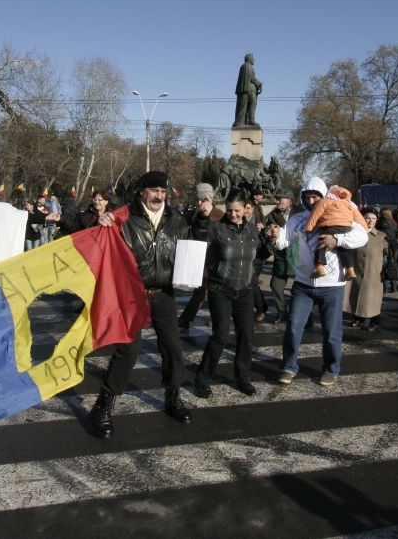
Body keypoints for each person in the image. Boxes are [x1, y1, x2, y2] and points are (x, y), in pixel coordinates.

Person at [90, 171, 192, 438]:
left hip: (164, 293)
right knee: (128, 352)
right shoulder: (123, 218)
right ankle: (103, 404)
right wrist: (102, 222)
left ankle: (173, 397)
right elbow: (100, 244)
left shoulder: (177, 220)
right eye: (154, 190)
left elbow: (187, 252)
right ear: (141, 191)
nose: (159, 195)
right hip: (132, 295)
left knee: (172, 347)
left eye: (163, 190)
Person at [266, 177, 369, 386]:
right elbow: (282, 242)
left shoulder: (341, 213)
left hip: (333, 285)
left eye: (316, 197)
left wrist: (337, 239)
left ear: (324, 197)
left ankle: (331, 369)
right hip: (303, 285)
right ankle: (288, 367)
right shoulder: (299, 219)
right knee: (294, 328)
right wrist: (275, 236)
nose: (312, 201)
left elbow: (362, 235)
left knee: (331, 331)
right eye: (308, 197)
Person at [193, 190, 270, 398]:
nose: (233, 214)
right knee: (220, 335)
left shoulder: (252, 230)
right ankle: (202, 380)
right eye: (229, 210)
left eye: (237, 211)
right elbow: (198, 237)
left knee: (246, 336)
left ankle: (243, 379)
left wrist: (271, 240)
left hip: (244, 290)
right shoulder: (218, 228)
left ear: (246, 209)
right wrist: (203, 217)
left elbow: (260, 255)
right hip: (221, 288)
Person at [178, 183, 224, 332]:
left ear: (209, 199)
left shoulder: (219, 215)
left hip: (214, 259)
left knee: (210, 291)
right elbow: (186, 230)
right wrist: (197, 215)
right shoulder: (193, 213)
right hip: (198, 258)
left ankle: (188, 319)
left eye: (202, 199)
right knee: (201, 290)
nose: (199, 203)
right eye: (197, 200)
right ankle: (186, 319)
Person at [304, 186, 368, 280]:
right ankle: (350, 270)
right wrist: (365, 228)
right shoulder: (349, 204)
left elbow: (315, 215)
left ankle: (319, 267)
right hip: (346, 228)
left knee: (321, 246)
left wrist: (309, 227)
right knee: (345, 249)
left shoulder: (325, 201)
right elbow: (359, 218)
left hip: (329, 226)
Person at [344, 208, 389, 331]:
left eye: (374, 218)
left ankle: (375, 321)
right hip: (357, 269)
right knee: (354, 294)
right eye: (368, 218)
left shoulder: (381, 236)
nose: (371, 221)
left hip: (373, 272)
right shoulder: (354, 233)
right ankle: (358, 318)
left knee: (372, 298)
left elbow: (390, 250)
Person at [266, 188, 298, 324]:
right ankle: (282, 312)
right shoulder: (272, 216)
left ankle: (303, 317)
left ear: (289, 201)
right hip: (281, 257)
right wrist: (270, 234)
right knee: (276, 285)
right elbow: (267, 236)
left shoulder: (300, 214)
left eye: (280, 198)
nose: (277, 201)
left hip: (298, 256)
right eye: (276, 198)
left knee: (300, 290)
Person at [248, 187, 268, 322]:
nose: (248, 210)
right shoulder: (238, 220)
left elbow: (263, 240)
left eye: (249, 208)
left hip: (255, 256)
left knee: (252, 283)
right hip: (242, 257)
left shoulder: (255, 219)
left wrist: (263, 230)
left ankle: (261, 308)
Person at [233, 53, 262, 128]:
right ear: (249, 59)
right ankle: (249, 120)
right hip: (247, 89)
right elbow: (250, 77)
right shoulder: (246, 66)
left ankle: (249, 120)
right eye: (252, 58)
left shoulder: (249, 67)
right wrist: (259, 84)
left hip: (251, 88)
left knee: (252, 103)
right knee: (251, 102)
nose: (254, 60)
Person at [376, 208, 398, 293]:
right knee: (393, 266)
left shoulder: (378, 224)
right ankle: (394, 287)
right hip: (392, 247)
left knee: (383, 268)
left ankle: (385, 288)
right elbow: (397, 234)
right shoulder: (393, 224)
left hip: (383, 246)